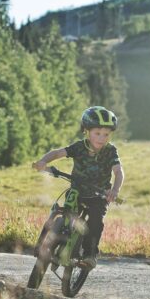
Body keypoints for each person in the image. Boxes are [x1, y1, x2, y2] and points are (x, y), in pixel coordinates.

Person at [32, 106, 124, 268]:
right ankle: (49, 242)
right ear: (86, 131)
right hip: (77, 190)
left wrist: (114, 190)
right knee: (63, 212)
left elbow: (118, 172)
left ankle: (90, 255)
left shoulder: (110, 151)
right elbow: (57, 153)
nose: (102, 138)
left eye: (106, 134)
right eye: (97, 133)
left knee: (95, 222)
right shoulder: (79, 147)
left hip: (98, 195)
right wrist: (43, 162)